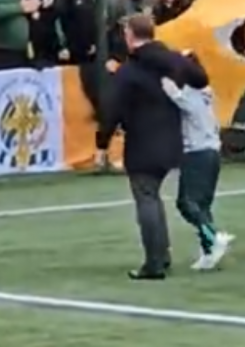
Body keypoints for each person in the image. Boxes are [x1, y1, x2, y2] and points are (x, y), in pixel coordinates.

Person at [95, 14, 208, 280]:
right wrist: (191, 59)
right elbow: (201, 79)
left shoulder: (129, 71)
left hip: (142, 141)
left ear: (129, 35)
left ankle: (155, 261)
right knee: (153, 197)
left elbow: (111, 109)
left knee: (147, 198)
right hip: (171, 138)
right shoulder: (172, 60)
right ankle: (162, 255)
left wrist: (102, 143)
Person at [160, 51, 233, 271]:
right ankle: (209, 250)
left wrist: (164, 78)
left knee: (186, 202)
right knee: (202, 204)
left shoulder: (189, 96)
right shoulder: (205, 93)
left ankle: (213, 236)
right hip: (211, 151)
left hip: (198, 152)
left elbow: (171, 92)